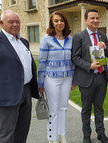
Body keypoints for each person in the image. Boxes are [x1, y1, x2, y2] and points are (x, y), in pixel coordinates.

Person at [0, 10, 39, 143]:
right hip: (6, 95)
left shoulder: (24, 42)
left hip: (26, 92)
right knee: (5, 135)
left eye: (17, 22)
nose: (15, 24)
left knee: (22, 131)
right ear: (2, 23)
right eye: (11, 22)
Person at [71, 9, 108, 143]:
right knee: (86, 109)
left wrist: (105, 48)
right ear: (86, 20)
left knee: (99, 108)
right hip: (86, 78)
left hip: (101, 77)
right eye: (92, 18)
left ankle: (101, 133)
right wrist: (89, 66)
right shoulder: (79, 37)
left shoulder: (102, 35)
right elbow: (75, 58)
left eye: (97, 18)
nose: (95, 21)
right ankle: (86, 135)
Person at [38, 12, 75, 143]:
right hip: (51, 78)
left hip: (67, 78)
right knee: (53, 109)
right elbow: (42, 61)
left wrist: (74, 80)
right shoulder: (46, 39)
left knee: (63, 108)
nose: (59, 23)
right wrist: (40, 83)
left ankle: (62, 135)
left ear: (65, 22)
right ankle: (52, 138)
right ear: (52, 23)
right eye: (56, 21)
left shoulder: (70, 39)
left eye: (61, 21)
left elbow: (73, 60)